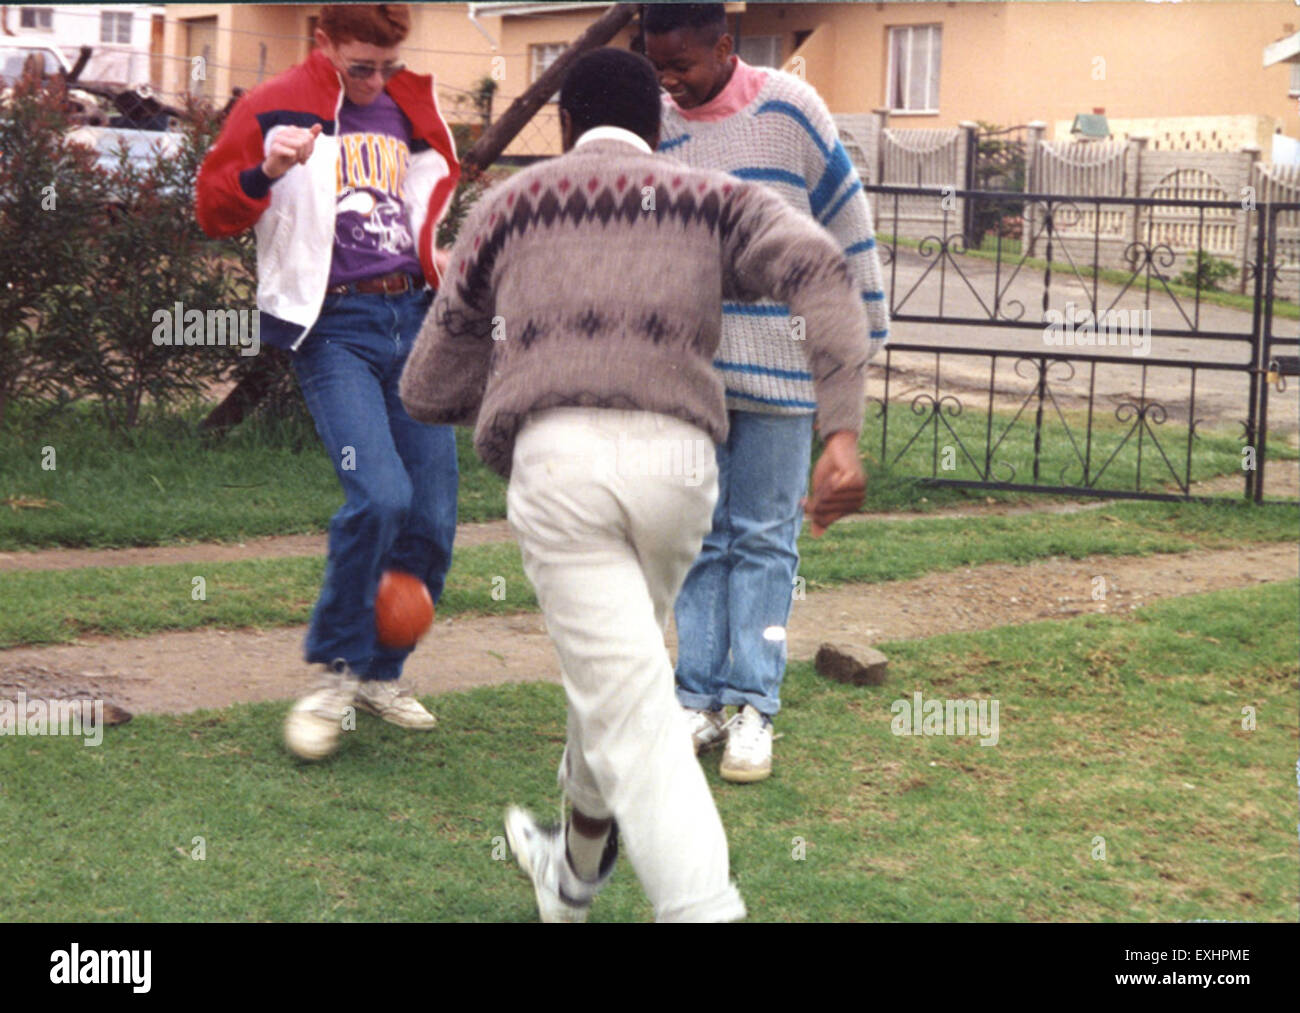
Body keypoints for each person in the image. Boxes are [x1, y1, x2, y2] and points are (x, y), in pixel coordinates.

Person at [399, 47, 873, 923]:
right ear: (660, 129)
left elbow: (426, 387)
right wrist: (838, 429)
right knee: (613, 676)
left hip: (561, 467)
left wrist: (526, 371)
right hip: (681, 470)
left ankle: (705, 907)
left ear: (566, 128)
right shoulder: (710, 198)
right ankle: (572, 870)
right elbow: (823, 275)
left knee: (634, 704)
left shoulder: (508, 207)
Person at [195, 4, 462, 760]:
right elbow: (213, 206)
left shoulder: (411, 104)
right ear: (323, 43)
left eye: (388, 63)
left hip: (411, 320)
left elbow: (424, 205)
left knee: (434, 514)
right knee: (380, 494)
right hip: (332, 329)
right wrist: (265, 170)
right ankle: (334, 673)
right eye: (360, 67)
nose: (378, 80)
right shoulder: (274, 102)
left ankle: (383, 672)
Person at [643, 3, 890, 782]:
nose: (669, 82)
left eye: (681, 64)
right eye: (657, 66)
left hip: (783, 366)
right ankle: (698, 698)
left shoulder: (791, 107)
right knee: (699, 535)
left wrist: (858, 341)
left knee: (764, 537)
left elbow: (847, 223)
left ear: (724, 45)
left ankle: (755, 702)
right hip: (693, 372)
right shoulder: (656, 121)